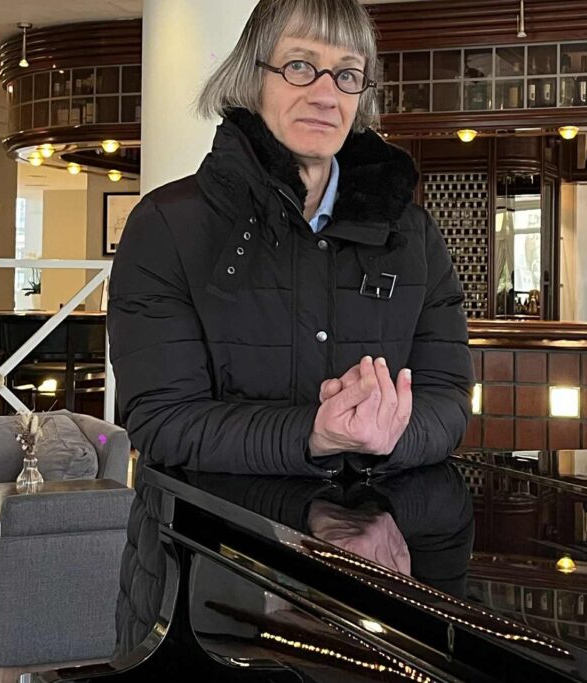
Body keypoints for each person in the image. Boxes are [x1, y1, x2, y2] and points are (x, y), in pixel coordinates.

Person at [108, 0, 474, 666]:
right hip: (201, 594)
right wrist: (315, 432)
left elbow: (448, 401)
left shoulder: (412, 236)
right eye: (301, 66)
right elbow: (160, 423)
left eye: (346, 73)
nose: (325, 93)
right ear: (253, 76)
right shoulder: (166, 226)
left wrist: (391, 433)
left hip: (380, 591)